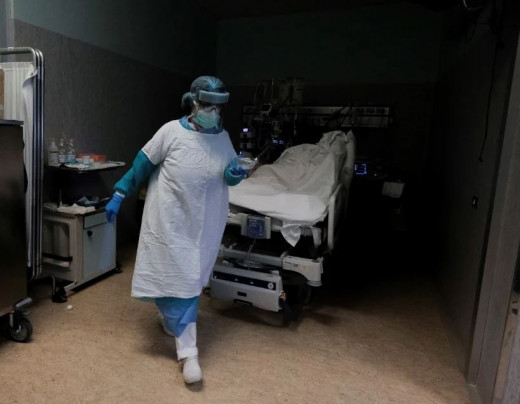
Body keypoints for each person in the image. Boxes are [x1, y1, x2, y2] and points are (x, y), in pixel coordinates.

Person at [105, 76, 247, 384]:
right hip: (169, 222)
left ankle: (171, 321)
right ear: (193, 102)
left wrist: (234, 174)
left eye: (218, 107)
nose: (213, 112)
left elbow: (228, 171)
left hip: (205, 225)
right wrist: (119, 193)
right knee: (176, 277)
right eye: (207, 105)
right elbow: (142, 165)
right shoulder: (170, 132)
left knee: (188, 280)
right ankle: (188, 353)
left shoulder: (222, 138)